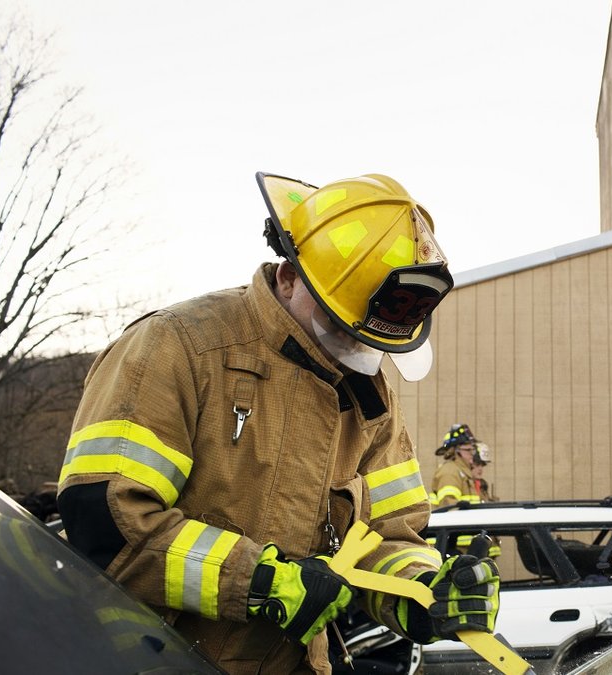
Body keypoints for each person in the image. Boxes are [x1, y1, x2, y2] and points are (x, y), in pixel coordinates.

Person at [56, 172, 500, 675]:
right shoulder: (178, 347)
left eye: (370, 341)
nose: (354, 352)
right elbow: (109, 521)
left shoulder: (369, 400)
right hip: (147, 658)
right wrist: (261, 582)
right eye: (338, 324)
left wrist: (424, 590)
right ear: (289, 276)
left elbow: (390, 536)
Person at [430, 423, 482, 508]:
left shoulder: (463, 473)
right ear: (455, 451)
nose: (472, 454)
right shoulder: (450, 472)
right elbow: (448, 505)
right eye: (468, 450)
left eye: (473, 450)